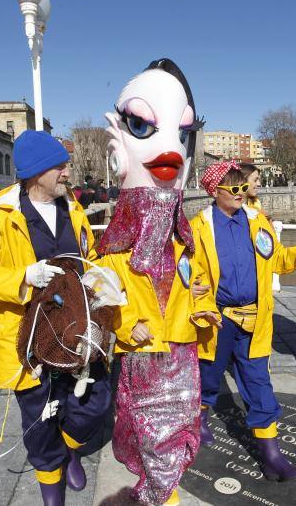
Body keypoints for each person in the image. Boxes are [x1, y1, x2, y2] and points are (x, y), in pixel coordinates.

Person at [0, 130, 109, 506]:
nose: (66, 172)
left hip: (76, 332)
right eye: (59, 166)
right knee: (40, 424)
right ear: (36, 172)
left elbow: (85, 260)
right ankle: (51, 489)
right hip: (27, 341)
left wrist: (99, 284)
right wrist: (22, 278)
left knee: (95, 402)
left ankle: (71, 450)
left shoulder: (73, 209)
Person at [98, 58, 216, 506]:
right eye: (142, 125)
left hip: (182, 355)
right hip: (144, 357)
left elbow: (198, 282)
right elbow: (102, 296)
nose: (171, 147)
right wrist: (128, 326)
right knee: (149, 438)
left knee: (179, 437)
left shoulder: (185, 237)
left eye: (182, 133)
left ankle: (162, 497)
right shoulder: (112, 248)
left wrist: (205, 309)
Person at [190, 160, 296, 481]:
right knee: (209, 376)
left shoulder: (257, 221)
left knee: (258, 383)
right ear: (215, 190)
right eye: (235, 188)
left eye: (244, 187)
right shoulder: (199, 228)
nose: (242, 193)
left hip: (255, 319)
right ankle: (198, 420)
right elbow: (194, 276)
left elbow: (277, 259)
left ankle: (272, 456)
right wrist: (200, 303)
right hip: (218, 320)